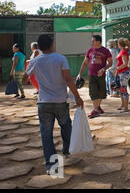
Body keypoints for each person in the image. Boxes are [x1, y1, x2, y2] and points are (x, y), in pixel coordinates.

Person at [22, 34, 84, 174]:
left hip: (43, 103)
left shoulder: (35, 61)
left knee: (46, 134)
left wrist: (32, 79)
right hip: (60, 101)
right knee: (66, 126)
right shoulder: (60, 58)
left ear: (39, 47)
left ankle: (52, 166)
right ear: (51, 45)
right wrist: (77, 97)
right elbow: (68, 80)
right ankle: (67, 149)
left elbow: (25, 79)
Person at [77, 35, 113, 119]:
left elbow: (110, 63)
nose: (92, 42)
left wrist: (103, 69)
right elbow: (85, 63)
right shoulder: (90, 50)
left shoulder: (106, 51)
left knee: (101, 92)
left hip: (101, 75)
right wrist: (80, 73)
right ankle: (96, 109)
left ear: (98, 41)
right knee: (93, 92)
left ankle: (97, 107)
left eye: (93, 41)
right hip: (92, 74)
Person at [115, 38, 130, 113]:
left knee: (124, 89)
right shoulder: (123, 51)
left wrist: (118, 68)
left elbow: (125, 64)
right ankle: (123, 105)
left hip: (124, 73)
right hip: (122, 72)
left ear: (120, 44)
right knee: (122, 89)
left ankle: (126, 107)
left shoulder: (124, 52)